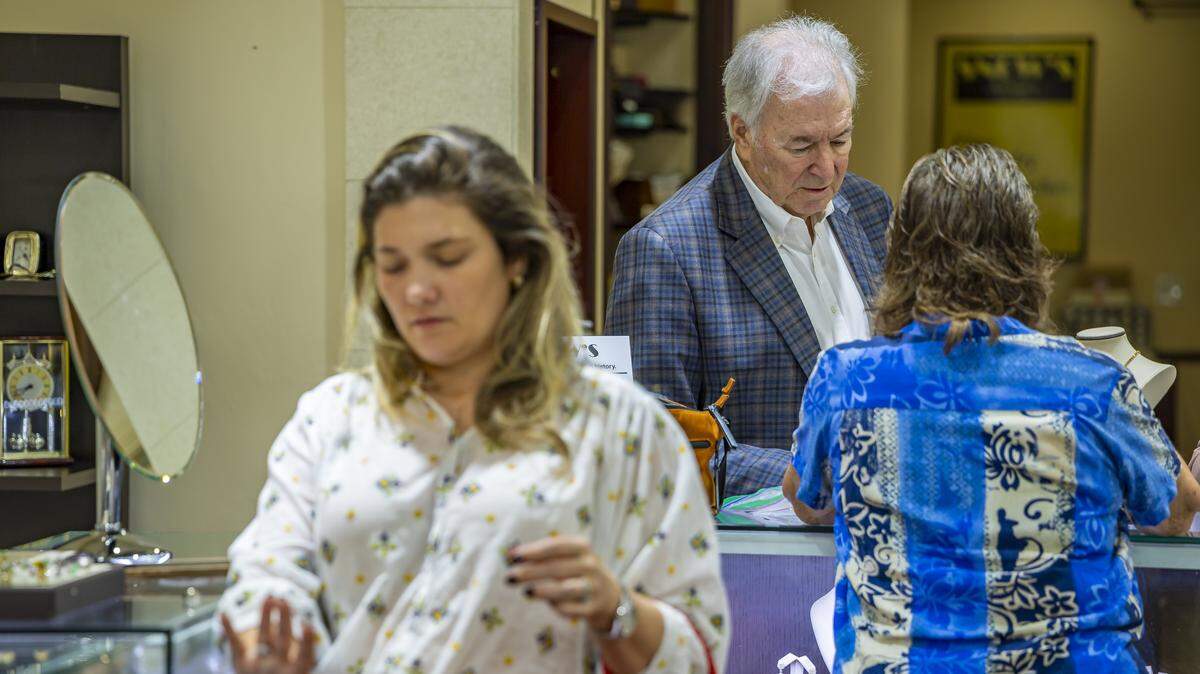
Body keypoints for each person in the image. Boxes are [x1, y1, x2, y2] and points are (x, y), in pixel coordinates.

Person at [216, 127, 729, 674]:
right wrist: (262, 644)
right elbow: (265, 577)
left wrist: (614, 609)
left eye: (448, 257)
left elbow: (696, 651)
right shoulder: (331, 417)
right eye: (394, 265)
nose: (417, 290)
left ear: (518, 261)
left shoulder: (617, 425)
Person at [785, 144, 1200, 672]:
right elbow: (1175, 511)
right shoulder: (1093, 383)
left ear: (902, 255)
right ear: (1025, 253)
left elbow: (808, 499)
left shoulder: (846, 380)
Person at [605, 16, 891, 497]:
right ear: (742, 132)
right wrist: (806, 476)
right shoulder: (666, 250)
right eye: (801, 146)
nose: (827, 167)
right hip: (762, 556)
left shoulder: (868, 207)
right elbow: (652, 444)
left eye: (840, 139)